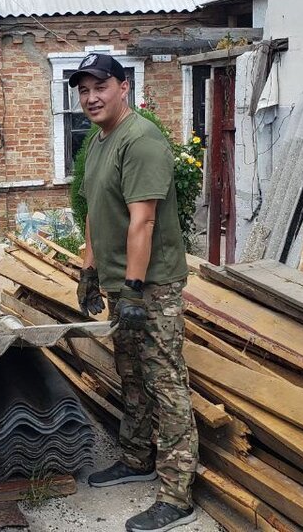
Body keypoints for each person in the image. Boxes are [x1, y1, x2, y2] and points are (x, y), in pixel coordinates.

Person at [71, 53, 199, 532]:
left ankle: (176, 496)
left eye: (100, 87)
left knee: (165, 383)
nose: (91, 98)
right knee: (131, 374)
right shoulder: (100, 141)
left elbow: (143, 220)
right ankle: (136, 457)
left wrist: (133, 290)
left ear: (124, 87)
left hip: (151, 286)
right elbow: (94, 211)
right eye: (83, 90)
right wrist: (89, 269)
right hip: (121, 283)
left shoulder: (140, 140)